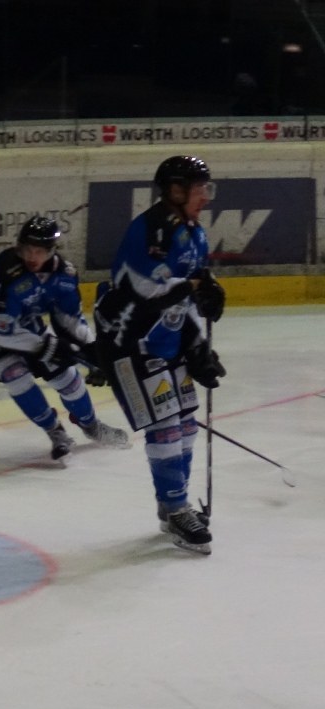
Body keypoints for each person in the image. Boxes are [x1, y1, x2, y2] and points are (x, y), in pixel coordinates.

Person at [92, 155, 226, 554]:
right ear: (176, 190)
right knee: (165, 423)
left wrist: (198, 344)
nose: (206, 196)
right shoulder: (149, 229)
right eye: (199, 188)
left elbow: (187, 295)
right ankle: (177, 507)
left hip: (167, 341)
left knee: (185, 424)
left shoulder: (194, 233)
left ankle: (172, 506)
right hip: (128, 342)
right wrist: (194, 287)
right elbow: (145, 291)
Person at [0, 216, 131, 465]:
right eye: (28, 249)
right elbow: (1, 330)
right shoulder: (5, 272)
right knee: (14, 374)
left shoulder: (64, 275)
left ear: (51, 251)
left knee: (65, 375)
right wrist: (47, 346)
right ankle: (55, 432)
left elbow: (70, 320)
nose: (32, 256)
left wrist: (94, 351)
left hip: (23, 323)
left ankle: (91, 425)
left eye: (39, 251)